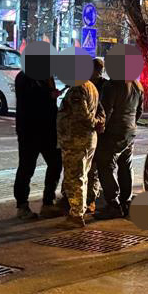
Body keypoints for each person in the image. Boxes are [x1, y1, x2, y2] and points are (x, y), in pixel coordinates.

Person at [56, 72, 105, 226]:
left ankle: (76, 215)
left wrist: (95, 123)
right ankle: (80, 209)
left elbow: (81, 115)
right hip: (86, 140)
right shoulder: (91, 87)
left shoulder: (78, 88)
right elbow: (100, 111)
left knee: (74, 177)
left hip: (77, 140)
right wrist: (99, 122)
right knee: (82, 175)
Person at [12, 68, 61, 220]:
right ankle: (22, 205)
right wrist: (49, 95)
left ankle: (48, 202)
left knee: (56, 163)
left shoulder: (47, 76)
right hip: (30, 131)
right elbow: (28, 100)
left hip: (49, 131)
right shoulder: (24, 77)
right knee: (26, 168)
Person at [95, 74, 145, 219]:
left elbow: (106, 111)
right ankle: (126, 202)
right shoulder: (137, 85)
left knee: (105, 166)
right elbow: (139, 110)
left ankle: (113, 203)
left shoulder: (111, 85)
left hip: (112, 132)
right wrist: (131, 124)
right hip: (129, 131)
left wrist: (101, 130)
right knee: (125, 165)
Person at [85, 56, 109, 214]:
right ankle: (88, 199)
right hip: (94, 131)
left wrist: (97, 123)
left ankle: (90, 200)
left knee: (91, 168)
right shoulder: (104, 85)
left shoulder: (94, 86)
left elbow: (102, 109)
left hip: (92, 132)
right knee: (88, 168)